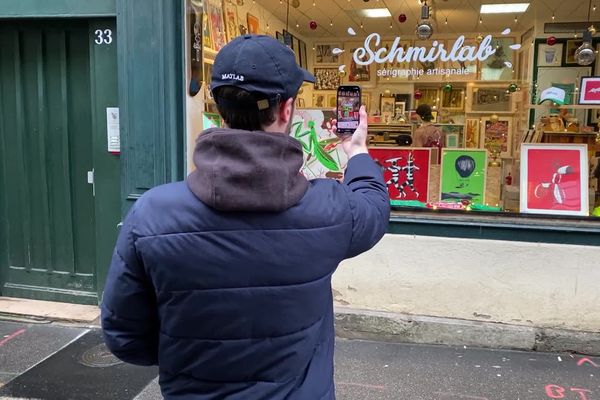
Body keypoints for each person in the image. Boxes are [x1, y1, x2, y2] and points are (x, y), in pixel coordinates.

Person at [101, 34, 390, 400]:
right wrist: (357, 151)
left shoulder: (153, 213)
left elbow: (124, 336)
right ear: (287, 110)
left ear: (220, 108)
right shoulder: (329, 209)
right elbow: (374, 208)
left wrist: (187, 356)